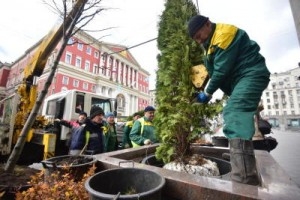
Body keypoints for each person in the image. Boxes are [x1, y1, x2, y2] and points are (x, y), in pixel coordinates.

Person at [188, 15, 270, 185]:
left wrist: (207, 93)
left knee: (234, 111)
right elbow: (211, 68)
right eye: (195, 39)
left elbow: (220, 71)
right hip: (240, 80)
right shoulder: (209, 44)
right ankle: (239, 157)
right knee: (237, 115)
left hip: (250, 74)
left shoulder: (224, 35)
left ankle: (244, 179)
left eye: (198, 36)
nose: (198, 41)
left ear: (207, 24)